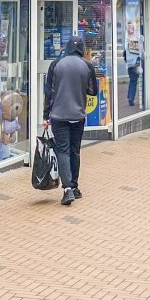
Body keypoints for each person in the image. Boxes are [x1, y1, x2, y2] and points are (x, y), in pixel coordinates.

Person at [44, 37, 98, 205]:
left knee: (63, 150)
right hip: (78, 115)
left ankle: (67, 189)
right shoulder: (87, 65)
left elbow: (49, 93)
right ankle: (74, 186)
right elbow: (93, 91)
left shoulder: (56, 65)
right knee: (75, 150)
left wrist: (46, 115)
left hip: (59, 115)